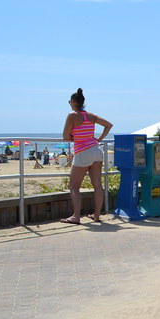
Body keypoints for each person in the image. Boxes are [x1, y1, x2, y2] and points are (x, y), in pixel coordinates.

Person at [61, 88, 112, 224]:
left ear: (73, 102)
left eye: (69, 101)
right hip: (96, 150)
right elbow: (108, 125)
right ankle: (96, 215)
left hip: (83, 152)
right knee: (97, 185)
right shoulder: (91, 116)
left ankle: (76, 216)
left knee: (74, 186)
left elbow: (65, 136)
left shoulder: (72, 115)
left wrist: (73, 135)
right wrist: (99, 139)